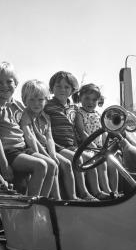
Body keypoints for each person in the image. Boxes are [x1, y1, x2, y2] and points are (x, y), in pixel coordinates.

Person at [0, 61, 56, 197]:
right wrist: (4, 165)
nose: (5, 86)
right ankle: (32, 205)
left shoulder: (18, 105)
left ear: (15, 83)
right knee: (40, 165)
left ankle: (42, 203)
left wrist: (45, 154)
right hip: (4, 152)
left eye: (9, 81)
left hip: (20, 150)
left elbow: (29, 133)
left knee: (51, 165)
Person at [44, 71, 110, 200]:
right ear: (52, 88)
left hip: (73, 145)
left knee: (92, 158)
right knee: (78, 159)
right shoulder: (47, 106)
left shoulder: (73, 108)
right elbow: (43, 126)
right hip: (58, 145)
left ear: (73, 90)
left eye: (67, 87)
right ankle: (84, 193)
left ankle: (98, 191)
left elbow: (81, 126)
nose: (62, 89)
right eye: (58, 86)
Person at [20, 79, 79, 200]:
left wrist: (52, 154)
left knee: (66, 163)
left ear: (46, 100)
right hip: (31, 149)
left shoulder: (46, 117)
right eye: (32, 99)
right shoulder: (25, 115)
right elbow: (30, 137)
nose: (36, 103)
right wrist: (45, 155)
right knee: (52, 164)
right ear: (24, 100)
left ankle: (73, 197)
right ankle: (56, 199)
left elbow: (49, 138)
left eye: (40, 100)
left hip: (45, 149)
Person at [72, 83, 119, 196]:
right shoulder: (79, 114)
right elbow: (81, 132)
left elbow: (104, 133)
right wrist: (93, 146)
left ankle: (115, 191)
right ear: (80, 98)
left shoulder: (99, 115)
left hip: (100, 148)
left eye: (94, 100)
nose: (90, 102)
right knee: (101, 164)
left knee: (114, 162)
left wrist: (105, 146)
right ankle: (106, 191)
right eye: (87, 98)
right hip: (87, 147)